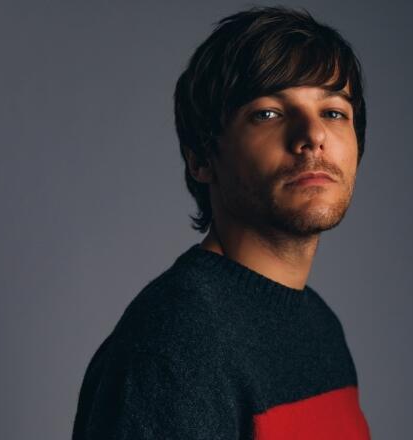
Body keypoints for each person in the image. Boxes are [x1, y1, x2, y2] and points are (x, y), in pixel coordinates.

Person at [72, 6, 370, 439]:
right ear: (201, 159)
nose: (313, 135)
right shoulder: (174, 344)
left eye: (334, 112)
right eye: (268, 113)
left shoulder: (321, 327)